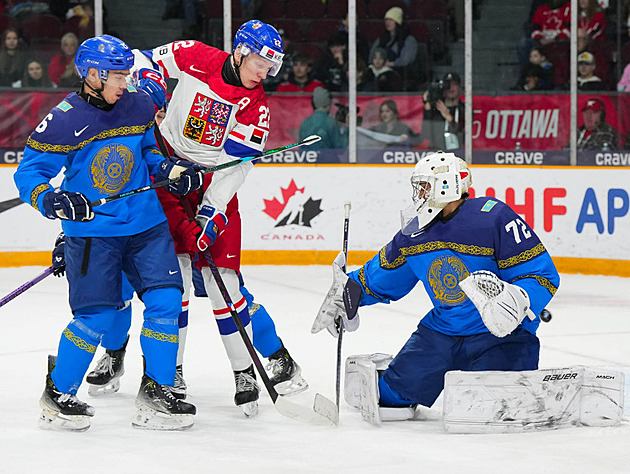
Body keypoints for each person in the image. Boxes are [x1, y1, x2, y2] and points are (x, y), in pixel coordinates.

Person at [13, 34, 204, 432]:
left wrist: (170, 173)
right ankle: (59, 394)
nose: (125, 82)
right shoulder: (65, 119)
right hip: (94, 234)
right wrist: (52, 200)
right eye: (118, 76)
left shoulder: (137, 103)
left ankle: (157, 392)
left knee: (167, 300)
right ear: (94, 75)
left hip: (146, 226)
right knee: (96, 316)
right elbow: (30, 173)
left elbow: (150, 151)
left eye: (126, 74)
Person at [130, 20, 302, 416]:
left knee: (223, 281)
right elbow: (144, 59)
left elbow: (236, 166)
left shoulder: (256, 107)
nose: (265, 73)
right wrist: (149, 81)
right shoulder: (195, 55)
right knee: (174, 285)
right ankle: (171, 371)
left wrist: (211, 208)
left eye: (271, 66)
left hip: (211, 183)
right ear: (241, 51)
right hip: (166, 175)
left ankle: (244, 371)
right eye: (261, 62)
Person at [311, 151, 560, 425]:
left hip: (500, 337)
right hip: (441, 334)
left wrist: (519, 299)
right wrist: (348, 294)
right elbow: (383, 276)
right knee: (390, 399)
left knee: (495, 407)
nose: (418, 194)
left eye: (425, 186)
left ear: (447, 185)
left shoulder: (492, 216)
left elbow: (541, 274)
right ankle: (382, 373)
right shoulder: (413, 233)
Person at [368, 7, 419, 91]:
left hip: (397, 76)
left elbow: (406, 60)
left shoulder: (408, 40)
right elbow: (372, 54)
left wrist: (392, 64)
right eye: (386, 20)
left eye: (391, 20)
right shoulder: (382, 38)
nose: (387, 22)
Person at [420, 72, 465, 151]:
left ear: (460, 87)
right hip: (436, 153)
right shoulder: (436, 108)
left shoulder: (464, 109)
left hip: (456, 154)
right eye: (448, 85)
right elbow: (426, 135)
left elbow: (463, 134)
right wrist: (427, 103)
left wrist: (448, 117)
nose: (451, 88)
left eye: (454, 84)